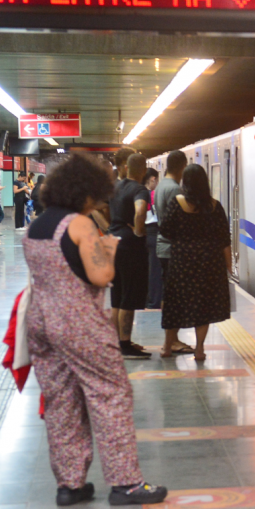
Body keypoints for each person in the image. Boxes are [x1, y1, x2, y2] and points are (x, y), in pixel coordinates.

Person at [24, 154, 167, 507]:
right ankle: (125, 482)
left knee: (62, 401)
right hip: (78, 322)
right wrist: (106, 248)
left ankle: (69, 484)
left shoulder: (37, 226)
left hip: (41, 321)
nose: (102, 201)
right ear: (85, 192)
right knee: (111, 394)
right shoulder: (79, 225)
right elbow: (101, 275)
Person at [160, 164, 232, 361]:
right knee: (203, 306)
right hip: (209, 262)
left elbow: (165, 230)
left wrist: (181, 238)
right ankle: (199, 349)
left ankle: (167, 346)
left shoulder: (176, 203)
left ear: (186, 182)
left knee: (175, 303)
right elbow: (224, 239)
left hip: (182, 261)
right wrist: (229, 266)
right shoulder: (215, 206)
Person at [109, 154, 151, 360]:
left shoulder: (116, 187)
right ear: (143, 170)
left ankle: (117, 343)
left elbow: (99, 208)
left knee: (116, 296)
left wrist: (110, 228)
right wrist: (139, 232)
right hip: (130, 247)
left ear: (126, 168)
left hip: (112, 242)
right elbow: (140, 211)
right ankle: (125, 344)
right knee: (129, 295)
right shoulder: (139, 189)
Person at [154, 151, 192, 354]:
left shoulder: (161, 185)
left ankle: (170, 339)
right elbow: (178, 223)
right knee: (175, 298)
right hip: (172, 249)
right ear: (182, 167)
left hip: (163, 246)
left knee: (168, 295)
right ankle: (172, 341)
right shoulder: (175, 189)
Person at [143, 168, 163, 309]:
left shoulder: (139, 194)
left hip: (143, 232)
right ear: (153, 179)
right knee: (155, 270)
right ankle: (154, 301)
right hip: (155, 232)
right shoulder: (154, 194)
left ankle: (146, 299)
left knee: (147, 269)